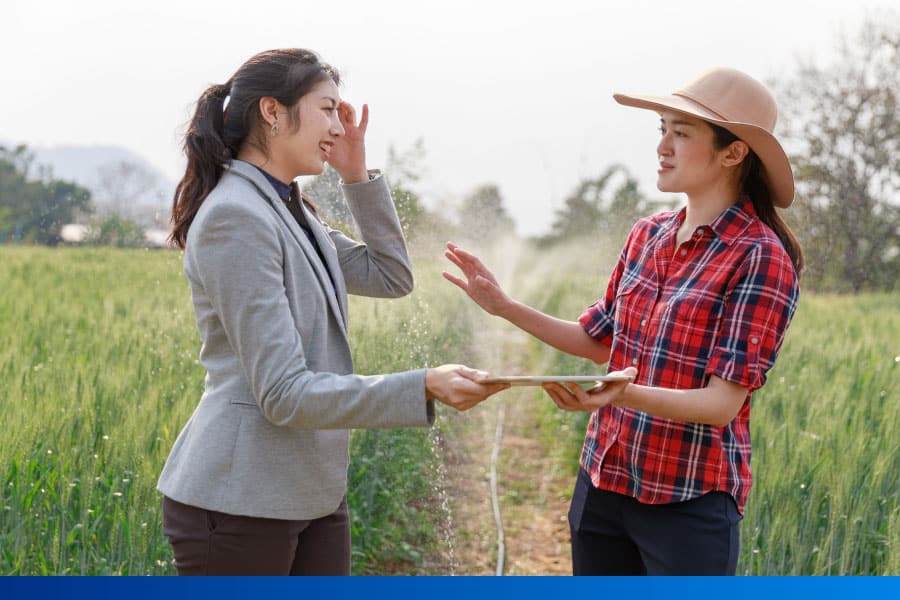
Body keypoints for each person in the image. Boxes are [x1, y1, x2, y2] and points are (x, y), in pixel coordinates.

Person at [158, 48, 506, 576]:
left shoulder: (288, 208)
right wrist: (425, 385)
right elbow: (282, 393)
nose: (339, 126)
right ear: (273, 112)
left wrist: (356, 175)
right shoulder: (237, 215)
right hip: (240, 500)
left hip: (312, 492)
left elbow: (391, 276)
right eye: (327, 109)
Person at [444, 67, 802, 575]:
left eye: (682, 133)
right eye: (662, 129)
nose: (663, 146)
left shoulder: (760, 257)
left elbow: (722, 404)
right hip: (603, 481)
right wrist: (504, 306)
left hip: (686, 501)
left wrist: (621, 392)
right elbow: (597, 340)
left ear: (734, 152)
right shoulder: (647, 235)